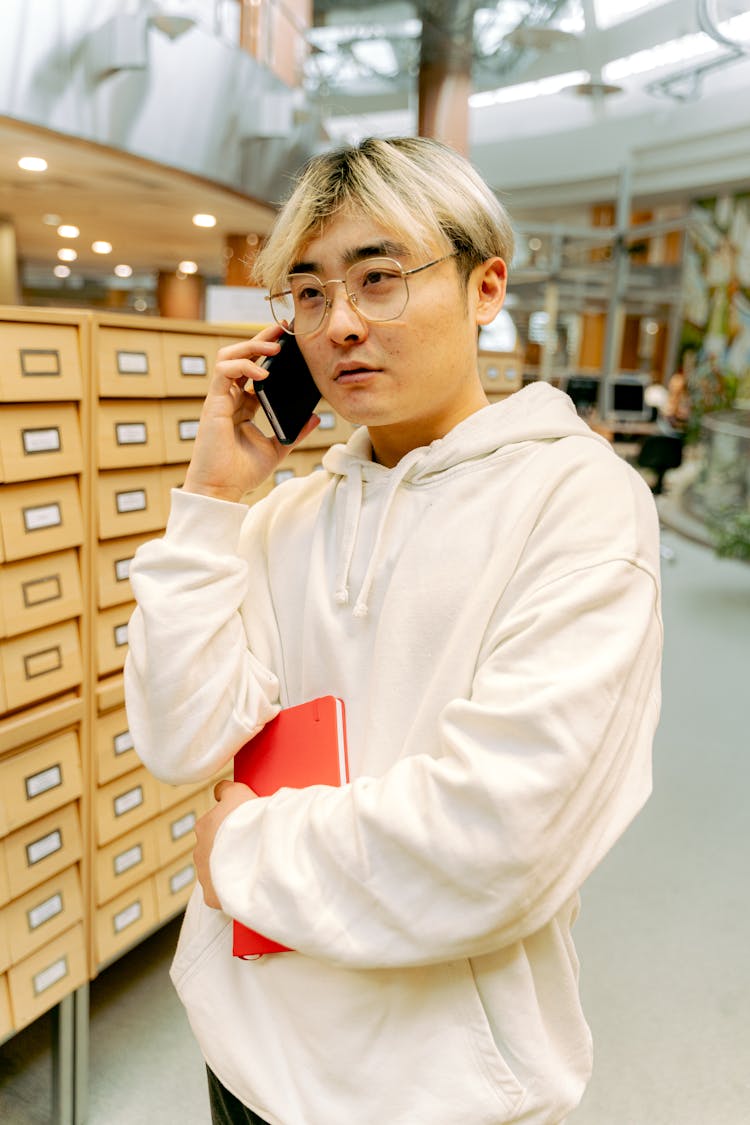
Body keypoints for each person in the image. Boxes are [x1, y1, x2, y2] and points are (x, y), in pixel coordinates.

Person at [124, 137, 663, 1125]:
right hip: (244, 1053)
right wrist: (210, 500)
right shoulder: (286, 517)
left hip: (435, 1095)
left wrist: (239, 849)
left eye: (379, 279)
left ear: (485, 286)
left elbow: (498, 839)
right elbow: (179, 736)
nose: (341, 326)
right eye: (310, 294)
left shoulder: (580, 508)